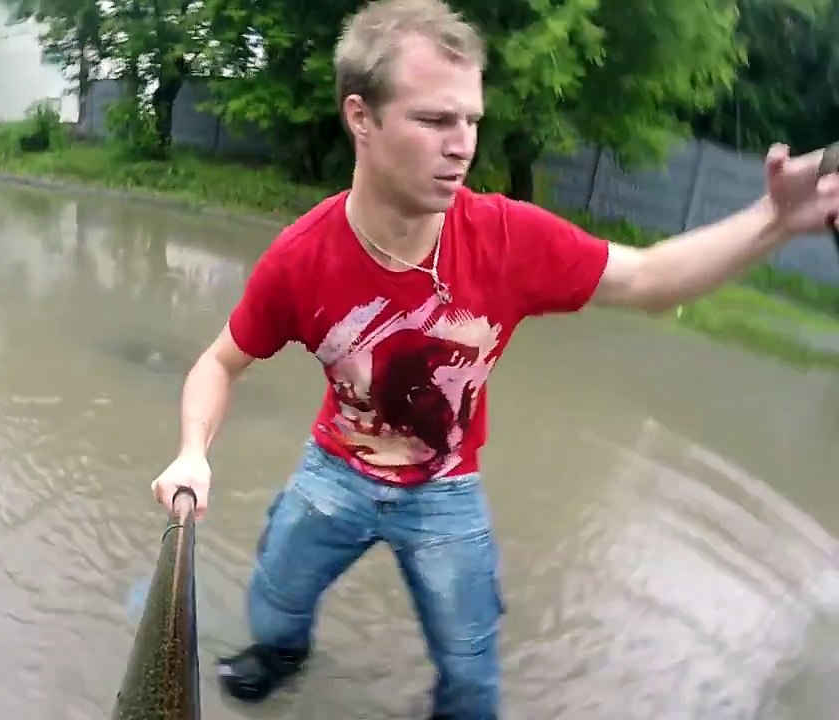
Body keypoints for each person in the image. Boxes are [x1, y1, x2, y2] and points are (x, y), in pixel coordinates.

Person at [147, 0, 839, 717]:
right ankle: (282, 654)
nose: (462, 145)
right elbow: (218, 363)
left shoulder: (506, 239)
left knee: (472, 671)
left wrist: (772, 220)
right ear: (361, 117)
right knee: (276, 599)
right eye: (434, 120)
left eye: (471, 120)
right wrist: (193, 452)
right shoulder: (301, 258)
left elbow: (650, 279)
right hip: (336, 469)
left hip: (446, 487)